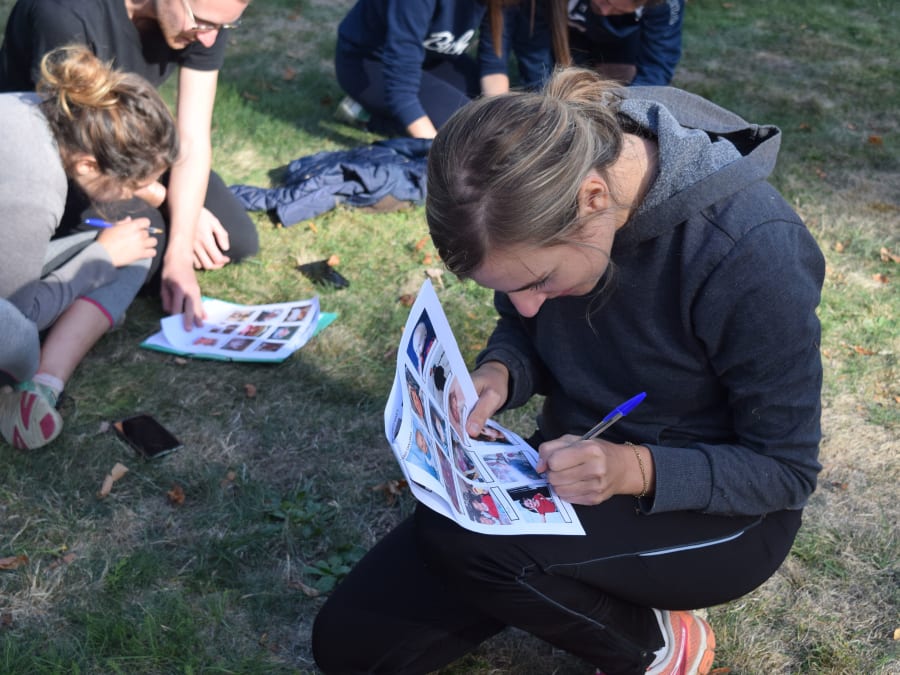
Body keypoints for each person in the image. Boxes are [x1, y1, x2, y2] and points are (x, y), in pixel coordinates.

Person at [312, 67, 825, 674]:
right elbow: (524, 325)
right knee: (350, 649)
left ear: (594, 200)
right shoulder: (542, 190)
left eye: (539, 281)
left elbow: (785, 471)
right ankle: (565, 581)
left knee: (467, 545)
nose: (526, 305)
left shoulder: (750, 251)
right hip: (573, 464)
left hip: (720, 514)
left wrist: (634, 469)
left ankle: (656, 645)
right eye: (509, 288)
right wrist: (502, 370)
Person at [0, 0, 257, 329]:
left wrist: (180, 252)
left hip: (132, 150)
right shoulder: (64, 11)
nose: (209, 38)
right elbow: (82, 152)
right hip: (69, 161)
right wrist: (169, 204)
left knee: (231, 238)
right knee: (146, 235)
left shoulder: (206, 16)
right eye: (203, 23)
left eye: (224, 27)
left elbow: (192, 138)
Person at [0, 45, 178, 450]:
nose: (144, 193)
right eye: (134, 185)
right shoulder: (35, 194)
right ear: (87, 165)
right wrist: (101, 260)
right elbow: (18, 314)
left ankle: (36, 390)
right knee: (20, 343)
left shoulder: (37, 108)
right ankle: (33, 384)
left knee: (137, 237)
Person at [333, 0, 570, 139]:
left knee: (492, 118)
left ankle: (379, 115)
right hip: (371, 65)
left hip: (435, 59)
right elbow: (401, 88)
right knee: (469, 127)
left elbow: (493, 64)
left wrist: (504, 122)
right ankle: (374, 117)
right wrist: (436, 150)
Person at [567, 0, 685, 85]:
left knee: (620, 80)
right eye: (606, 0)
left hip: (621, 36)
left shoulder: (665, 3)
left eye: (617, 9)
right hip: (566, 29)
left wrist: (635, 101)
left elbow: (657, 64)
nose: (603, 11)